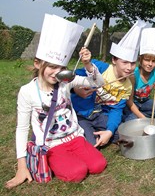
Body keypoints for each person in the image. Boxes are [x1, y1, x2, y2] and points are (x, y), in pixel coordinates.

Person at [6, 14, 107, 189]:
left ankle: (73, 157)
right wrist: (22, 167)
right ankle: (57, 161)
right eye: (52, 67)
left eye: (61, 67)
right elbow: (22, 129)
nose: (57, 72)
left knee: (98, 165)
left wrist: (88, 64)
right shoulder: (27, 91)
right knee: (77, 172)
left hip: (76, 138)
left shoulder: (65, 82)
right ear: (38, 64)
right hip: (52, 145)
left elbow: (98, 83)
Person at [71, 21, 146, 147]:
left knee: (122, 134)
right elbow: (70, 78)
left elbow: (116, 110)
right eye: (125, 62)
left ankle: (97, 133)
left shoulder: (127, 86)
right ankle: (82, 132)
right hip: (81, 113)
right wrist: (75, 89)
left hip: (101, 115)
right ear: (114, 60)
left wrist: (110, 131)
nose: (129, 67)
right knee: (92, 143)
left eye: (133, 63)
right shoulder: (99, 67)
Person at [123, 28, 155, 122]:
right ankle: (141, 115)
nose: (150, 64)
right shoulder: (133, 75)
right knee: (131, 121)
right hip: (133, 104)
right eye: (147, 60)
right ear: (140, 60)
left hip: (146, 102)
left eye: (154, 61)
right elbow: (129, 101)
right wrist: (143, 118)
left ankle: (145, 114)